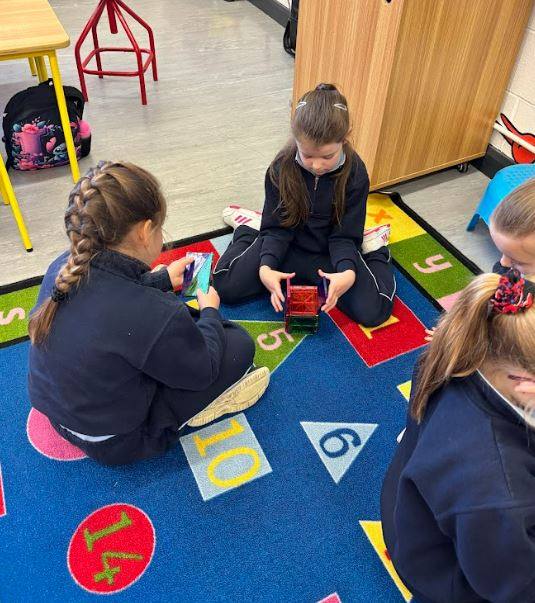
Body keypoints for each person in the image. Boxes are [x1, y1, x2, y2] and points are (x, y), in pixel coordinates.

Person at [28, 161, 269, 466]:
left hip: (58, 415)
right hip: (118, 442)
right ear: (144, 232)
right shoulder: (154, 313)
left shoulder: (63, 266)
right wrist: (209, 311)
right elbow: (201, 370)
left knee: (158, 338)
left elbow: (106, 301)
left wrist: (162, 280)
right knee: (238, 345)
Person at [381, 269, 535, 603]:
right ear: (526, 385)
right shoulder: (497, 492)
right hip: (448, 574)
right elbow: (514, 587)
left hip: (415, 506)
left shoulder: (457, 350)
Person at [212, 83, 395, 327]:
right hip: (287, 244)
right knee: (224, 285)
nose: (317, 165)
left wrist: (347, 273)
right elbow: (277, 230)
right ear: (296, 139)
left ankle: (375, 249)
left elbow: (344, 237)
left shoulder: (356, 173)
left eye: (327, 156)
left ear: (345, 138)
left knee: (374, 311)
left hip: (328, 252)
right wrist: (266, 267)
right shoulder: (281, 167)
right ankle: (248, 230)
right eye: (307, 155)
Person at [425, 177, 535, 341]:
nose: (503, 263)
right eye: (501, 252)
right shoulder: (509, 273)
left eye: (517, 261)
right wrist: (456, 331)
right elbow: (489, 306)